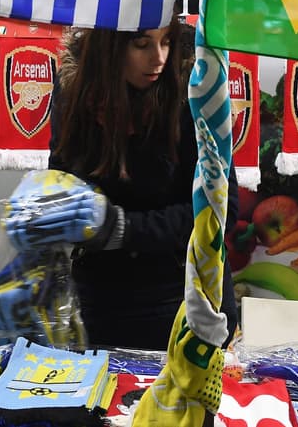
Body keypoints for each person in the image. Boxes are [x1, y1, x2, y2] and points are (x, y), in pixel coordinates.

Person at [48, 20, 239, 351]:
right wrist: (50, 209)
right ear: (109, 46)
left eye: (166, 42)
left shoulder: (197, 90)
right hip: (98, 300)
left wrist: (124, 228)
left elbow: (222, 209)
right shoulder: (75, 90)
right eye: (141, 44)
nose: (159, 58)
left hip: (183, 297)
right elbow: (61, 178)